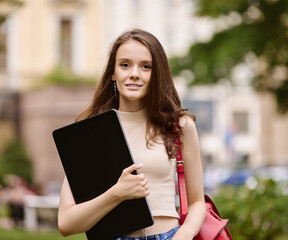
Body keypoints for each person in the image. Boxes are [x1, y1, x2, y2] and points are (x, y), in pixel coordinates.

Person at [58, 29, 206, 240]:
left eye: (146, 66)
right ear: (113, 72)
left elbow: (197, 203)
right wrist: (116, 194)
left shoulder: (178, 126)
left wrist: (184, 235)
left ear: (157, 74)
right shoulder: (89, 131)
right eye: (125, 65)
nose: (134, 73)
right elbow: (66, 223)